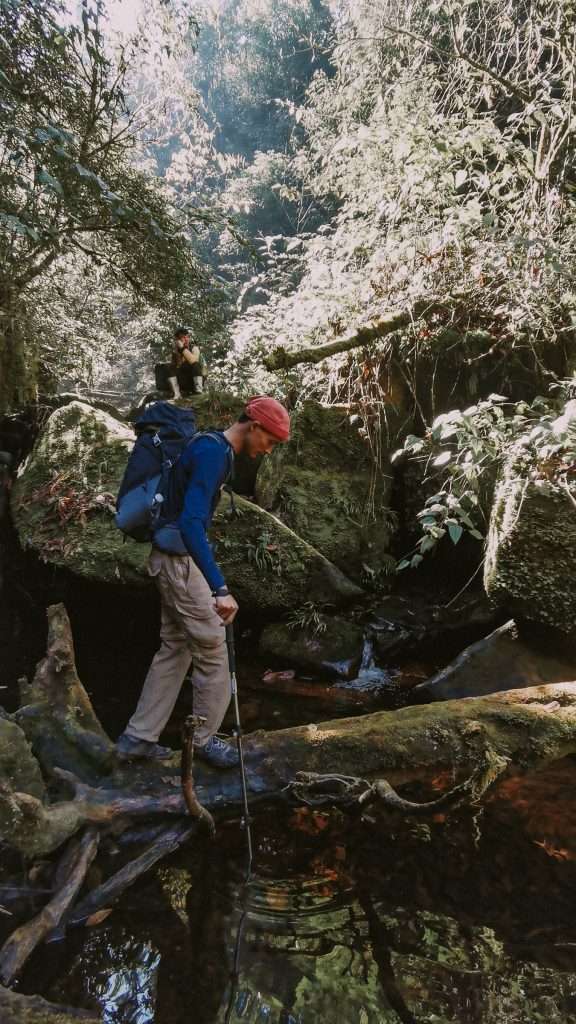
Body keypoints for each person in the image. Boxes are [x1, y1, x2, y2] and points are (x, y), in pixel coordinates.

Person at [116, 396, 291, 767]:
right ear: (254, 426)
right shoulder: (214, 454)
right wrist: (220, 588)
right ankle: (204, 740)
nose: (268, 450)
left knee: (175, 646)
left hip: (170, 558)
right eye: (270, 441)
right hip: (178, 563)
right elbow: (191, 523)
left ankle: (138, 738)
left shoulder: (211, 445)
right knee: (212, 648)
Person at [168, 327, 204, 399]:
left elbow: (193, 361)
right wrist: (177, 352)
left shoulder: (194, 348)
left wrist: (182, 349)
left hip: (193, 379)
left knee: (195, 365)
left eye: (187, 337)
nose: (186, 339)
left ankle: (198, 391)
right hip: (182, 380)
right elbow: (177, 367)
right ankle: (177, 394)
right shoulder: (175, 351)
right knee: (169, 367)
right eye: (182, 337)